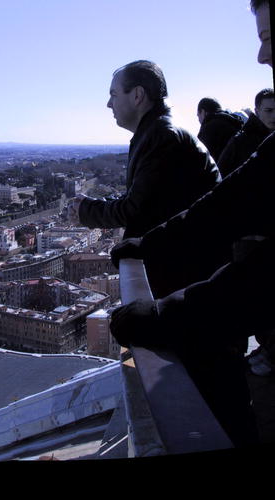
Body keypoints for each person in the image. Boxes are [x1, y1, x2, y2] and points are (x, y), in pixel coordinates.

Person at [107, 0, 275, 448]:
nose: (262, 59)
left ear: (137, 95)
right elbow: (225, 201)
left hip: (205, 290)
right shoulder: (166, 134)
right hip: (206, 287)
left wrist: (166, 312)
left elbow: (269, 269)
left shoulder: (161, 136)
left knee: (229, 404)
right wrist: (149, 242)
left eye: (267, 40)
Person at [80, 60, 223, 297]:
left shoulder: (161, 136)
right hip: (192, 263)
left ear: (137, 95)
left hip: (187, 271)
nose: (108, 104)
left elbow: (136, 210)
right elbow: (143, 197)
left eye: (113, 94)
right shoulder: (159, 130)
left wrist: (85, 211)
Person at [216, 88, 275, 176]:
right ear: (257, 111)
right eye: (268, 111)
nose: (274, 115)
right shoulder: (240, 141)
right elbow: (221, 174)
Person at [197, 97, 247, 165]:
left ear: (203, 112)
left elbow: (199, 159)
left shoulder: (208, 129)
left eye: (198, 115)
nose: (198, 120)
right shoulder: (236, 123)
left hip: (222, 173)